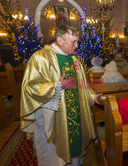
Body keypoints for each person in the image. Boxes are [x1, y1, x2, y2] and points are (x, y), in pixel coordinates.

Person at [20, 25, 102, 166]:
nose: (76, 46)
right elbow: (30, 87)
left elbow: (82, 86)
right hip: (50, 118)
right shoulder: (40, 58)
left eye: (77, 41)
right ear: (59, 40)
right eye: (73, 42)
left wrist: (92, 97)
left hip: (73, 116)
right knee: (52, 157)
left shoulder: (75, 60)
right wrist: (57, 86)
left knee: (74, 150)